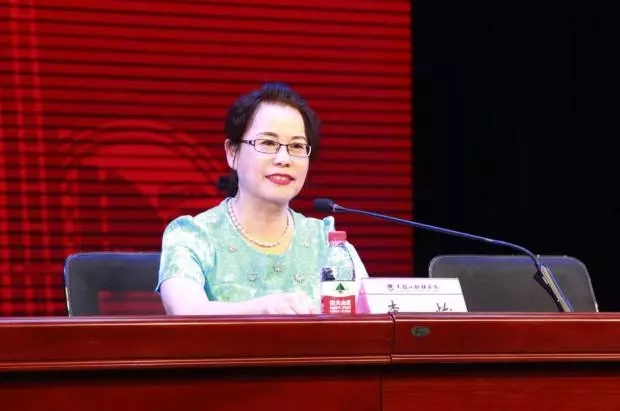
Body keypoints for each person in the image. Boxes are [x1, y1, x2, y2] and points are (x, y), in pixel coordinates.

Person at [156, 82, 369, 315]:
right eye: (268, 143)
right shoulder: (192, 236)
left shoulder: (330, 245)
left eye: (297, 146)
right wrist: (264, 308)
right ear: (232, 152)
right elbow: (186, 311)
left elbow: (373, 318)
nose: (284, 159)